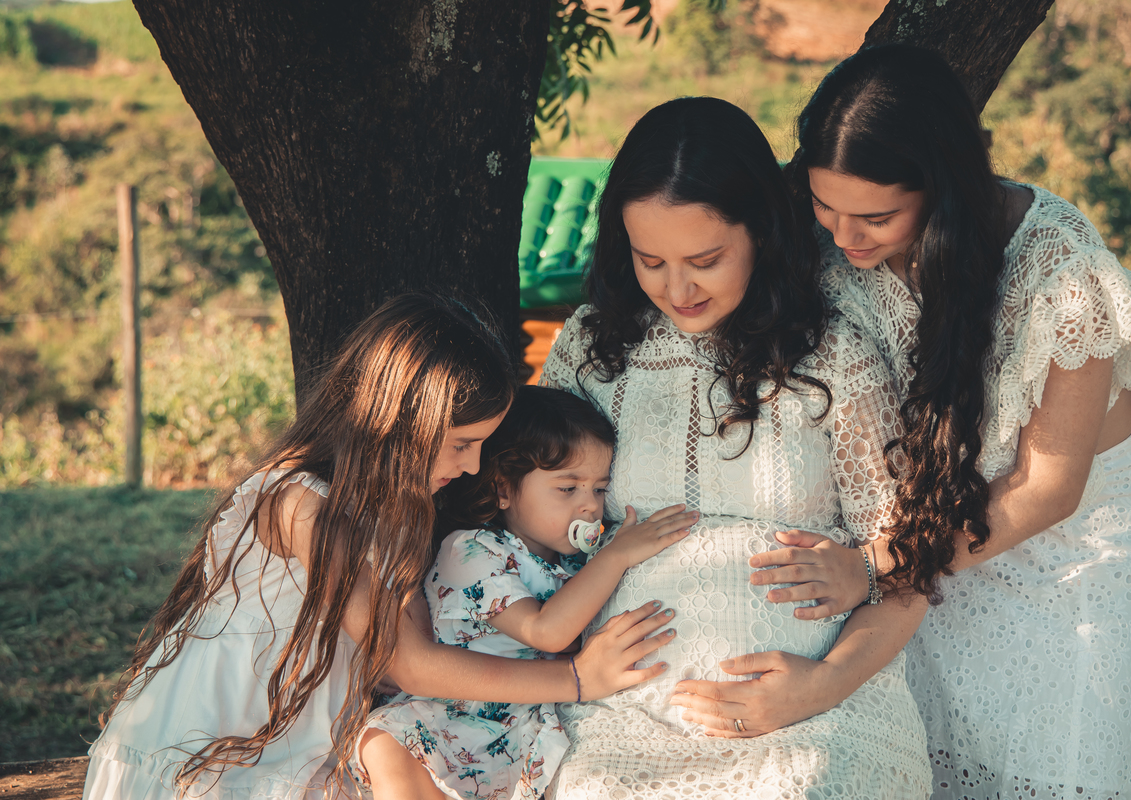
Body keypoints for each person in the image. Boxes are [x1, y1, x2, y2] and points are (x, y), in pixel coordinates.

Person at [749, 43, 1131, 799]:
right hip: (941, 552)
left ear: (943, 187)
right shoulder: (836, 247)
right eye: (826, 207)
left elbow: (1047, 490)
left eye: (876, 217)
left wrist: (874, 566)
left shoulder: (1058, 269)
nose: (844, 236)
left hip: (1078, 560)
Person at [82, 294, 677, 800]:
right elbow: (408, 661)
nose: (473, 466)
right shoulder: (299, 504)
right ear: (401, 420)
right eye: (461, 443)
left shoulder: (394, 517)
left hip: (294, 755)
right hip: (203, 754)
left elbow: (413, 654)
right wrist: (577, 679)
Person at [539, 96, 933, 799]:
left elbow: (911, 566)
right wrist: (571, 664)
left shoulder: (832, 356)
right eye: (650, 260)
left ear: (761, 233)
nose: (677, 288)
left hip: (817, 711)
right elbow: (528, 534)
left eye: (706, 259)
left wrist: (823, 684)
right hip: (614, 711)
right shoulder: (591, 348)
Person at [352, 384, 696, 800]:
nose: (590, 506)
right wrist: (617, 555)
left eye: (599, 489)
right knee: (384, 743)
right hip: (450, 714)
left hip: (525, 727)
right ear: (504, 489)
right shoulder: (471, 550)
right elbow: (546, 632)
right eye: (568, 488)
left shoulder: (576, 564)